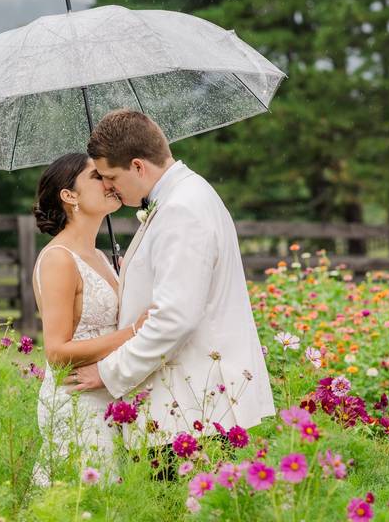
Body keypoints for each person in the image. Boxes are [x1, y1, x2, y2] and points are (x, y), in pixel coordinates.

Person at [67, 109, 276, 461]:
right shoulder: (186, 195)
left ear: (138, 167)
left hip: (191, 413)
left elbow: (175, 318)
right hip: (191, 409)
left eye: (111, 176)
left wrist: (109, 371)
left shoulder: (182, 210)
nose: (108, 187)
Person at [29, 152, 149, 486]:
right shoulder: (58, 259)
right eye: (97, 177)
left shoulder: (99, 256)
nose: (109, 182)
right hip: (78, 402)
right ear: (69, 196)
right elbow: (56, 352)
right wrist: (133, 333)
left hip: (110, 395)